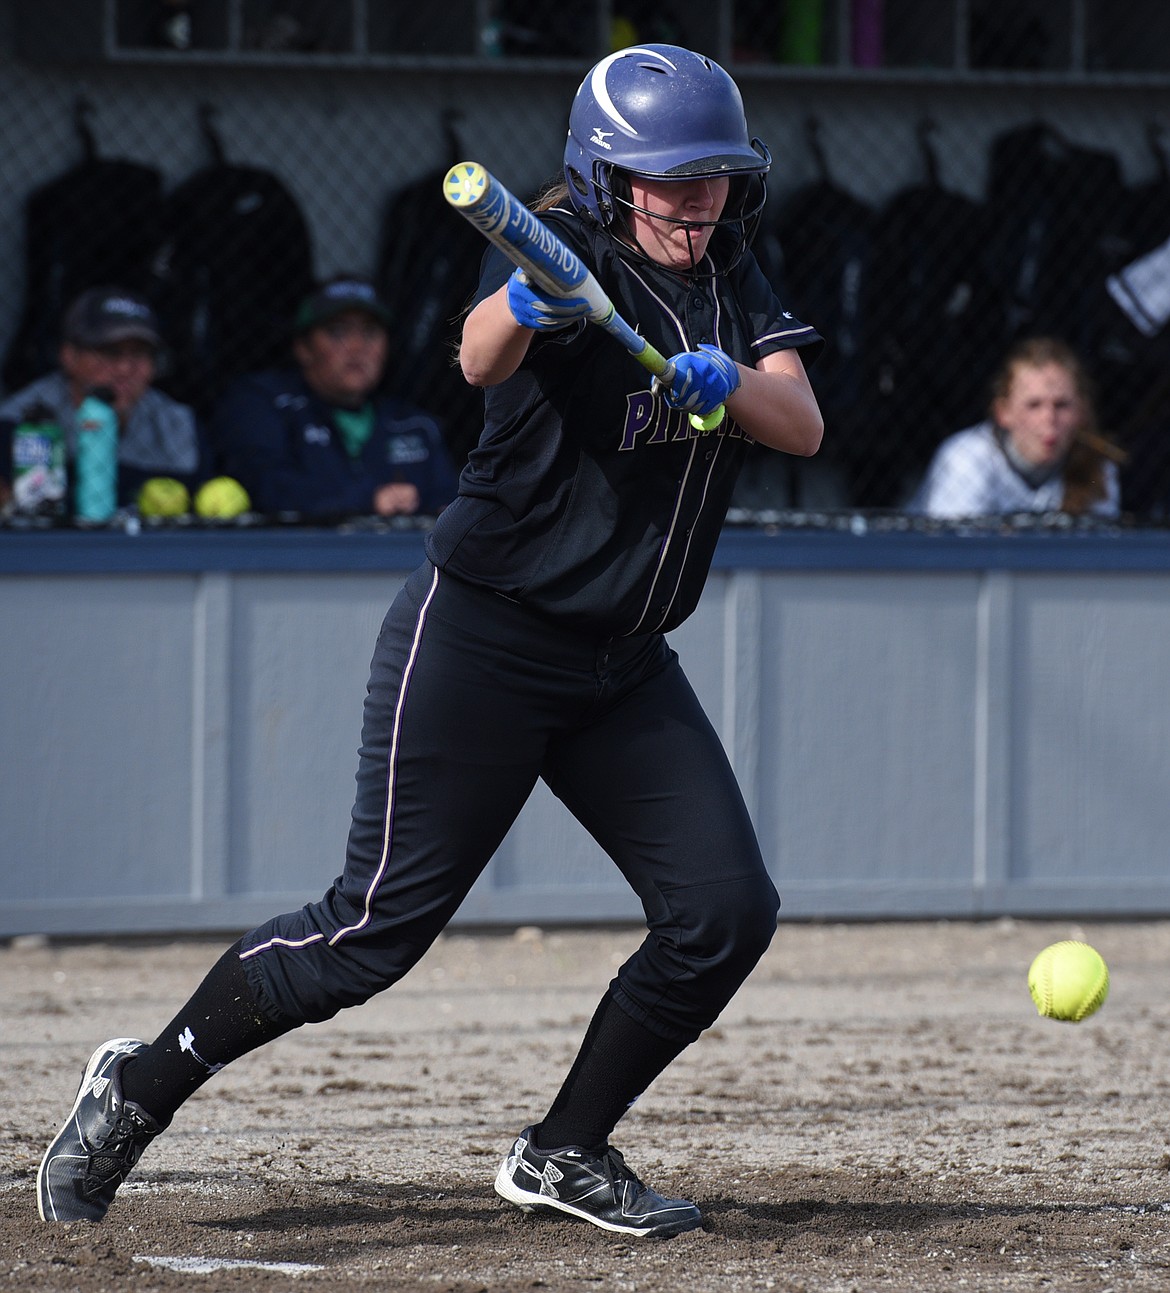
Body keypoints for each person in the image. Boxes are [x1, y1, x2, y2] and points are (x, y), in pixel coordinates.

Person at [37, 44, 824, 1237]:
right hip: (485, 643)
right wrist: (524, 299)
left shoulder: (730, 276)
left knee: (725, 912)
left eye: (713, 177)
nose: (695, 201)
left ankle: (562, 1152)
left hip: (623, 666)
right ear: (608, 181)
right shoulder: (572, 268)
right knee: (366, 938)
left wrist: (725, 380)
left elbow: (802, 424)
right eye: (668, 181)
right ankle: (135, 1089)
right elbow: (474, 355)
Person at [210, 275, 458, 520]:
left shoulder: (417, 425)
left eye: (370, 332)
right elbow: (263, 485)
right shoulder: (262, 403)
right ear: (303, 348)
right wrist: (366, 500)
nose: (356, 347)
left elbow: (450, 504)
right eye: (338, 332)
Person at [0, 285, 202, 513]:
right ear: (69, 356)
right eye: (110, 353)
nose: (125, 369)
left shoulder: (178, 427)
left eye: (139, 354)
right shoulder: (18, 423)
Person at [910, 336, 1123, 519]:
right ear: (1003, 412)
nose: (1049, 418)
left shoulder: (1097, 466)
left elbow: (1094, 556)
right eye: (1033, 405)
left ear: (1081, 412)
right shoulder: (966, 458)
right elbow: (954, 556)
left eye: (1062, 405)